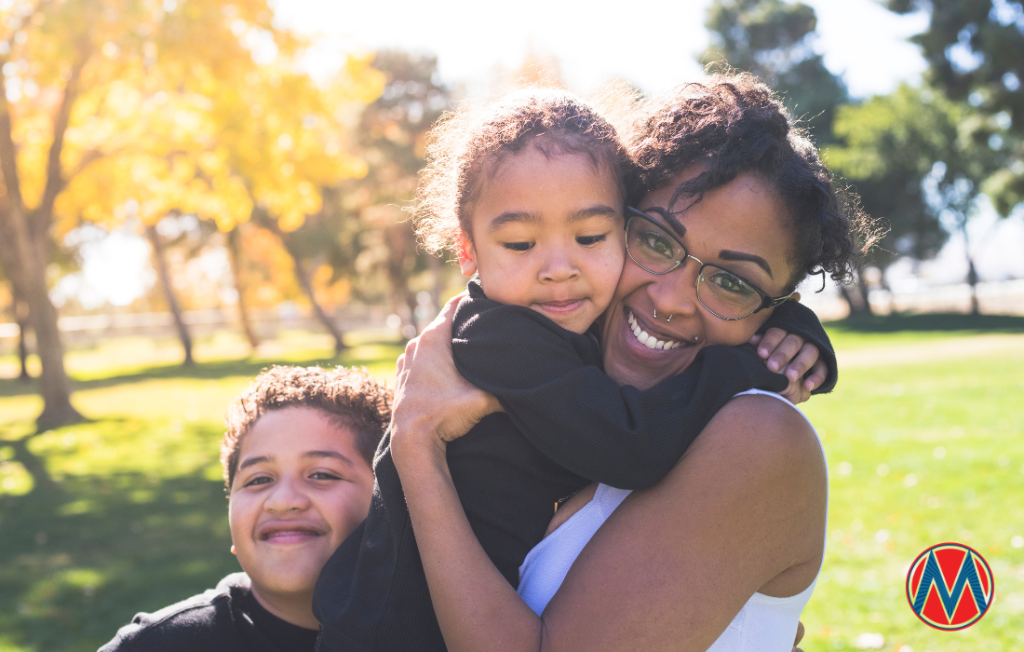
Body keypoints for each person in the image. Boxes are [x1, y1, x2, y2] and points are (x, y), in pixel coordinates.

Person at [314, 87, 837, 651]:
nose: (671, 301)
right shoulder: (512, 340)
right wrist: (747, 359)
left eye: (734, 284)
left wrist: (791, 329)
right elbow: (630, 443)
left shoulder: (756, 437)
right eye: (657, 242)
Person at [99, 365, 392, 652]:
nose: (282, 501)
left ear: (387, 500)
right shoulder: (156, 645)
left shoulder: (432, 629)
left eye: (322, 475)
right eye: (259, 479)